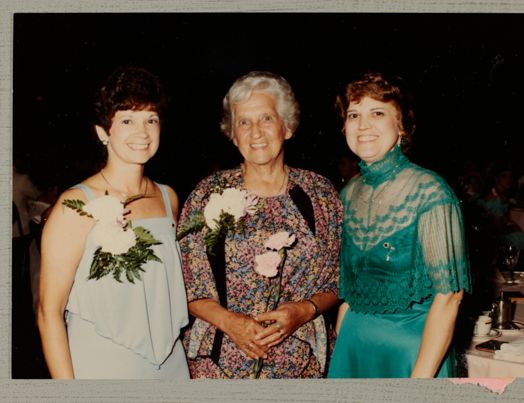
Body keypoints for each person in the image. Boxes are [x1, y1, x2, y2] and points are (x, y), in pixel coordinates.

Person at [178, 71, 342, 378]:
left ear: (287, 126)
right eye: (244, 122)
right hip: (220, 363)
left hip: (300, 363)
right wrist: (231, 323)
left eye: (266, 118)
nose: (255, 132)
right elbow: (186, 285)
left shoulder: (319, 193)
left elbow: (337, 281)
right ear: (233, 134)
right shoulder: (207, 194)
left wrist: (302, 311)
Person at [37, 66, 190, 379]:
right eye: (127, 120)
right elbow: (47, 313)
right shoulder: (75, 205)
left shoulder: (167, 197)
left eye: (151, 119)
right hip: (103, 363)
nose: (143, 132)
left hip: (170, 361)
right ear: (103, 132)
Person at [327, 71, 471, 378]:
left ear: (401, 126)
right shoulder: (347, 193)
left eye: (377, 113)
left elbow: (450, 297)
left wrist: (418, 381)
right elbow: (350, 293)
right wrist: (340, 346)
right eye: (354, 115)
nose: (363, 125)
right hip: (353, 347)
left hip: (412, 355)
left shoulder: (430, 190)